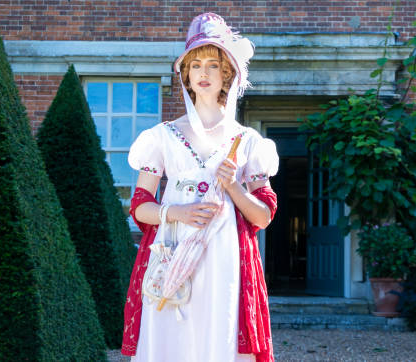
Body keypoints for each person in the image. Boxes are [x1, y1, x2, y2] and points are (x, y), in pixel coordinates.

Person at [121, 13, 278, 362]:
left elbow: (264, 216)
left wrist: (234, 188)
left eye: (212, 64)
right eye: (195, 66)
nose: (203, 73)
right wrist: (177, 212)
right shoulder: (161, 137)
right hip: (172, 251)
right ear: (186, 77)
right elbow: (139, 205)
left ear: (227, 75)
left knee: (218, 336)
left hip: (226, 260)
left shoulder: (249, 142)